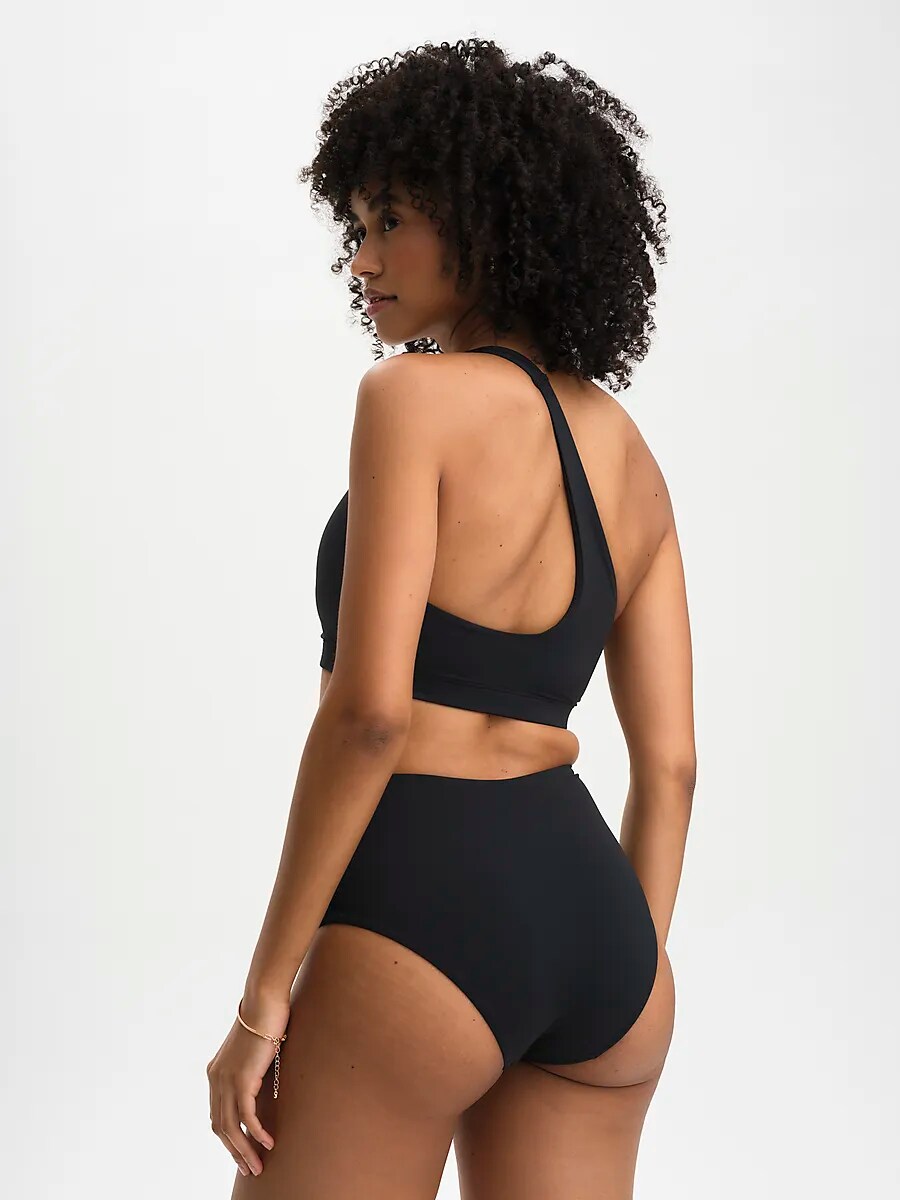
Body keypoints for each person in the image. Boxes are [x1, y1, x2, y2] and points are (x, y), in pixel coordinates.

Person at [207, 38, 694, 1199]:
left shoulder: (410, 397)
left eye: (391, 222)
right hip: (602, 935)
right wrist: (620, 963)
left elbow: (371, 717)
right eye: (356, 228)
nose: (363, 260)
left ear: (484, 220)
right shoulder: (630, 454)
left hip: (426, 901)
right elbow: (672, 767)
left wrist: (264, 996)